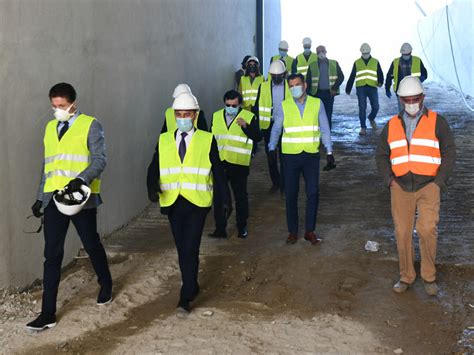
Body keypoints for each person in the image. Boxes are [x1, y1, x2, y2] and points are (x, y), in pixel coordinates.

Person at [27, 83, 112, 331]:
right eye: (54, 106)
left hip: (80, 198)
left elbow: (100, 159)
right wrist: (40, 198)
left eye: (62, 106)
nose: (57, 110)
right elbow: (48, 166)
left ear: (73, 103)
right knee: (51, 254)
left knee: (90, 243)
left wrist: (81, 180)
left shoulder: (90, 125)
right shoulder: (50, 128)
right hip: (55, 198)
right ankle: (48, 313)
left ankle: (106, 283)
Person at [147, 93, 229, 313]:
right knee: (182, 248)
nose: (182, 118)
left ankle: (186, 295)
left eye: (187, 114)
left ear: (195, 115)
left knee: (191, 247)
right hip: (173, 201)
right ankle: (193, 285)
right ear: (174, 116)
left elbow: (218, 171)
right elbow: (154, 165)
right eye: (179, 114)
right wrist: (151, 185)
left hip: (197, 202)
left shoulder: (206, 138)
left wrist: (225, 200)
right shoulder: (164, 139)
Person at [375, 76, 455, 296]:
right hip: (400, 186)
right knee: (402, 233)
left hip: (429, 185)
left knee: (427, 228)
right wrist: (389, 180)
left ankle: (429, 277)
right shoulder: (391, 125)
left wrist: (439, 182)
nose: (411, 103)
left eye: (415, 99)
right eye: (406, 99)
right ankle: (406, 276)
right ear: (400, 100)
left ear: (422, 97)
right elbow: (381, 154)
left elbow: (449, 152)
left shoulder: (438, 122)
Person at [269, 74, 336, 245]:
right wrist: (271, 147)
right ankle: (292, 231)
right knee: (291, 194)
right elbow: (277, 128)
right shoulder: (284, 106)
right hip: (290, 157)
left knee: (313, 193)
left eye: (297, 85)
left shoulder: (316, 103)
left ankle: (309, 231)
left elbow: (325, 127)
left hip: (310, 156)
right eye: (291, 86)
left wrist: (329, 151)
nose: (294, 89)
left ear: (305, 85)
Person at [209, 90, 262, 239]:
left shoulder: (249, 117)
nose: (230, 108)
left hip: (239, 164)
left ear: (240, 104)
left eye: (234, 105)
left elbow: (258, 137)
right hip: (220, 163)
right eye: (228, 105)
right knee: (219, 198)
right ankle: (220, 229)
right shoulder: (216, 116)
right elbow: (210, 138)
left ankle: (241, 227)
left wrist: (246, 126)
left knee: (240, 197)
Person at [254, 60, 291, 193]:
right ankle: (276, 182)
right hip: (269, 127)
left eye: (279, 76)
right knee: (271, 156)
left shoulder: (290, 86)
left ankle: (285, 185)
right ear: (270, 74)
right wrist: (256, 126)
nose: (276, 78)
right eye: (274, 76)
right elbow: (257, 106)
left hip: (286, 126)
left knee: (284, 156)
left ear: (284, 74)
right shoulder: (263, 87)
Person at [345, 43, 384, 136]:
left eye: (367, 53)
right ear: (361, 53)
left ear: (369, 52)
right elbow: (352, 75)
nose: (365, 55)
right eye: (364, 53)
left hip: (372, 86)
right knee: (362, 107)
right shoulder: (357, 62)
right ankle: (363, 127)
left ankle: (371, 118)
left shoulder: (375, 61)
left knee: (376, 106)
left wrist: (380, 82)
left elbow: (380, 73)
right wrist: (348, 88)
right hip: (361, 87)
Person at [306, 45, 344, 130]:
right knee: (316, 115)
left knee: (328, 115)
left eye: (322, 51)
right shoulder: (312, 65)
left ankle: (327, 137)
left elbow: (341, 77)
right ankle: (317, 135)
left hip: (329, 94)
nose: (321, 53)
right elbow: (308, 81)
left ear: (326, 52)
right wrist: (307, 94)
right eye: (319, 52)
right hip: (316, 94)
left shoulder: (334, 63)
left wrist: (334, 88)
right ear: (316, 53)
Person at [385, 42, 428, 112]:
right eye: (404, 54)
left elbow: (424, 73)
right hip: (401, 91)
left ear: (410, 52)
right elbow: (389, 76)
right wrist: (387, 88)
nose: (405, 56)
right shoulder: (395, 62)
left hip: (415, 91)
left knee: (416, 111)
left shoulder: (417, 60)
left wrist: (421, 78)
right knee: (403, 112)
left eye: (407, 54)